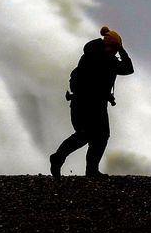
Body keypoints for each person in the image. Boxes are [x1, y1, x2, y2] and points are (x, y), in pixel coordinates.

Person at [50, 26, 134, 178]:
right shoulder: (102, 59)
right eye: (113, 48)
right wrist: (121, 50)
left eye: (116, 49)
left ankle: (87, 169)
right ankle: (60, 158)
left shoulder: (93, 56)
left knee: (97, 136)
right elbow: (128, 68)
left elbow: (127, 69)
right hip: (88, 104)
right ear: (106, 45)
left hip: (91, 104)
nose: (115, 52)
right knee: (89, 135)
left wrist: (119, 48)